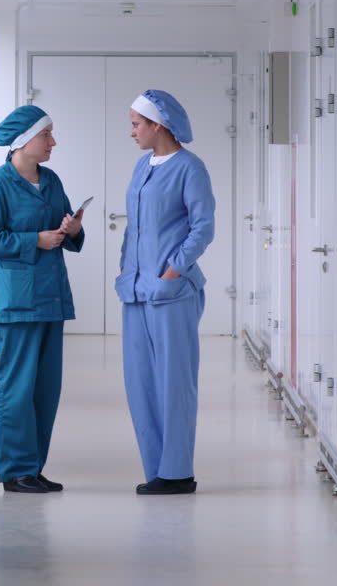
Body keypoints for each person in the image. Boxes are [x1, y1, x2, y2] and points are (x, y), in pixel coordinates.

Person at [0, 104, 85, 494]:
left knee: (45, 389)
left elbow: (67, 229)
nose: (53, 141)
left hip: (52, 299)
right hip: (17, 303)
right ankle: (15, 470)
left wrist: (72, 229)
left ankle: (33, 468)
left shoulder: (51, 180)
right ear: (23, 141)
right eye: (46, 135)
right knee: (16, 388)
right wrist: (33, 240)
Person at [115, 89, 215, 495]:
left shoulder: (191, 168)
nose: (132, 132)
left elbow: (202, 227)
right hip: (136, 292)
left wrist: (173, 270)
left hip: (172, 293)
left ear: (158, 125)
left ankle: (177, 472)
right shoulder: (142, 167)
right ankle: (156, 469)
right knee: (140, 382)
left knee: (174, 382)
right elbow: (133, 225)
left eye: (137, 124)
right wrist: (126, 265)